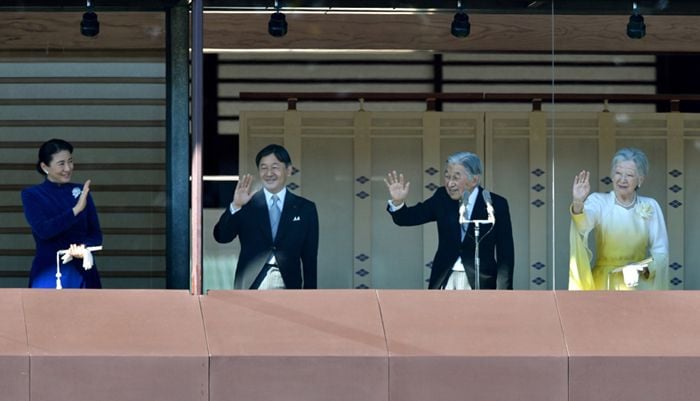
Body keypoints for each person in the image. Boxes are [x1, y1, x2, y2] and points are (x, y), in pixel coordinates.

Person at [384, 151, 514, 290]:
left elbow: (505, 252)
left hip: (481, 280)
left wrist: (503, 292)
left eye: (456, 178)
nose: (450, 183)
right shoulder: (442, 197)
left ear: (474, 180)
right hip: (445, 277)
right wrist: (398, 202)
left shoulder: (496, 203)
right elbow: (408, 218)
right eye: (447, 177)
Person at [213, 144, 319, 289]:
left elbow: (310, 258)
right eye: (264, 168)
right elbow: (222, 237)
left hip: (288, 282)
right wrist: (236, 206)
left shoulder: (305, 209)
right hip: (251, 283)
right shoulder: (247, 203)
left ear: (288, 170)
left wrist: (310, 295)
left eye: (275, 167)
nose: (269, 173)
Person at [569, 147, 669, 290]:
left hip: (637, 283)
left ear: (640, 179)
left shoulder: (650, 206)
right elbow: (582, 225)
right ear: (612, 175)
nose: (622, 179)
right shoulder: (599, 202)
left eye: (629, 175)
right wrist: (578, 202)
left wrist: (643, 268)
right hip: (604, 282)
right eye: (618, 173)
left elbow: (661, 251)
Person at [21, 138, 102, 288]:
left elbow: (96, 235)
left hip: (82, 273)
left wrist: (84, 248)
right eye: (61, 164)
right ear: (45, 167)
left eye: (70, 161)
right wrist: (76, 210)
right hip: (48, 274)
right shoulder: (32, 195)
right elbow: (44, 231)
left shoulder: (81, 192)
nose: (68, 168)